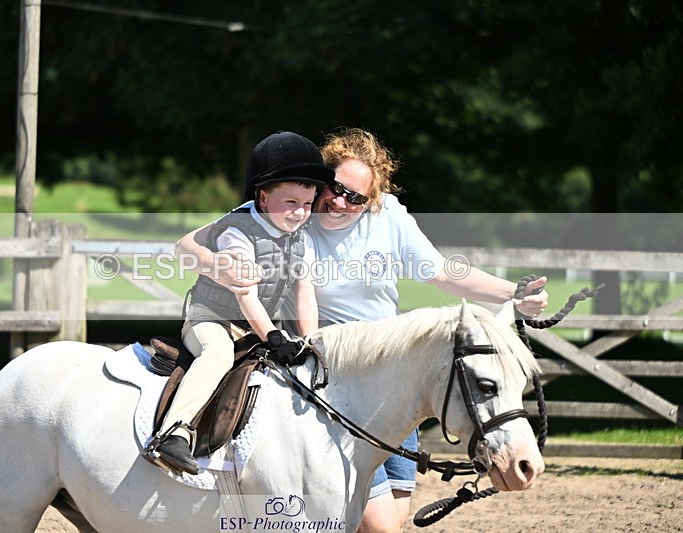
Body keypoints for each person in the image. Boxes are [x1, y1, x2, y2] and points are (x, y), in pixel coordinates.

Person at [174, 128, 548, 531]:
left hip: (395, 374)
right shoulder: (291, 211)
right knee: (376, 524)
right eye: (334, 188)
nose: (339, 202)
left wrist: (513, 292)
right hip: (335, 378)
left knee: (388, 521)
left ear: (373, 200)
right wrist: (220, 267)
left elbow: (441, 272)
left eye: (356, 198)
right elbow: (187, 245)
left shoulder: (389, 216)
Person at [149, 131, 335, 476]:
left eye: (307, 204)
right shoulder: (237, 232)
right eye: (291, 202)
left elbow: (303, 292)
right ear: (262, 197)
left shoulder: (300, 239)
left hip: (257, 326)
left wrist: (310, 341)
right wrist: (274, 338)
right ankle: (172, 433)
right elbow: (245, 293)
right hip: (213, 320)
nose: (300, 213)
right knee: (217, 355)